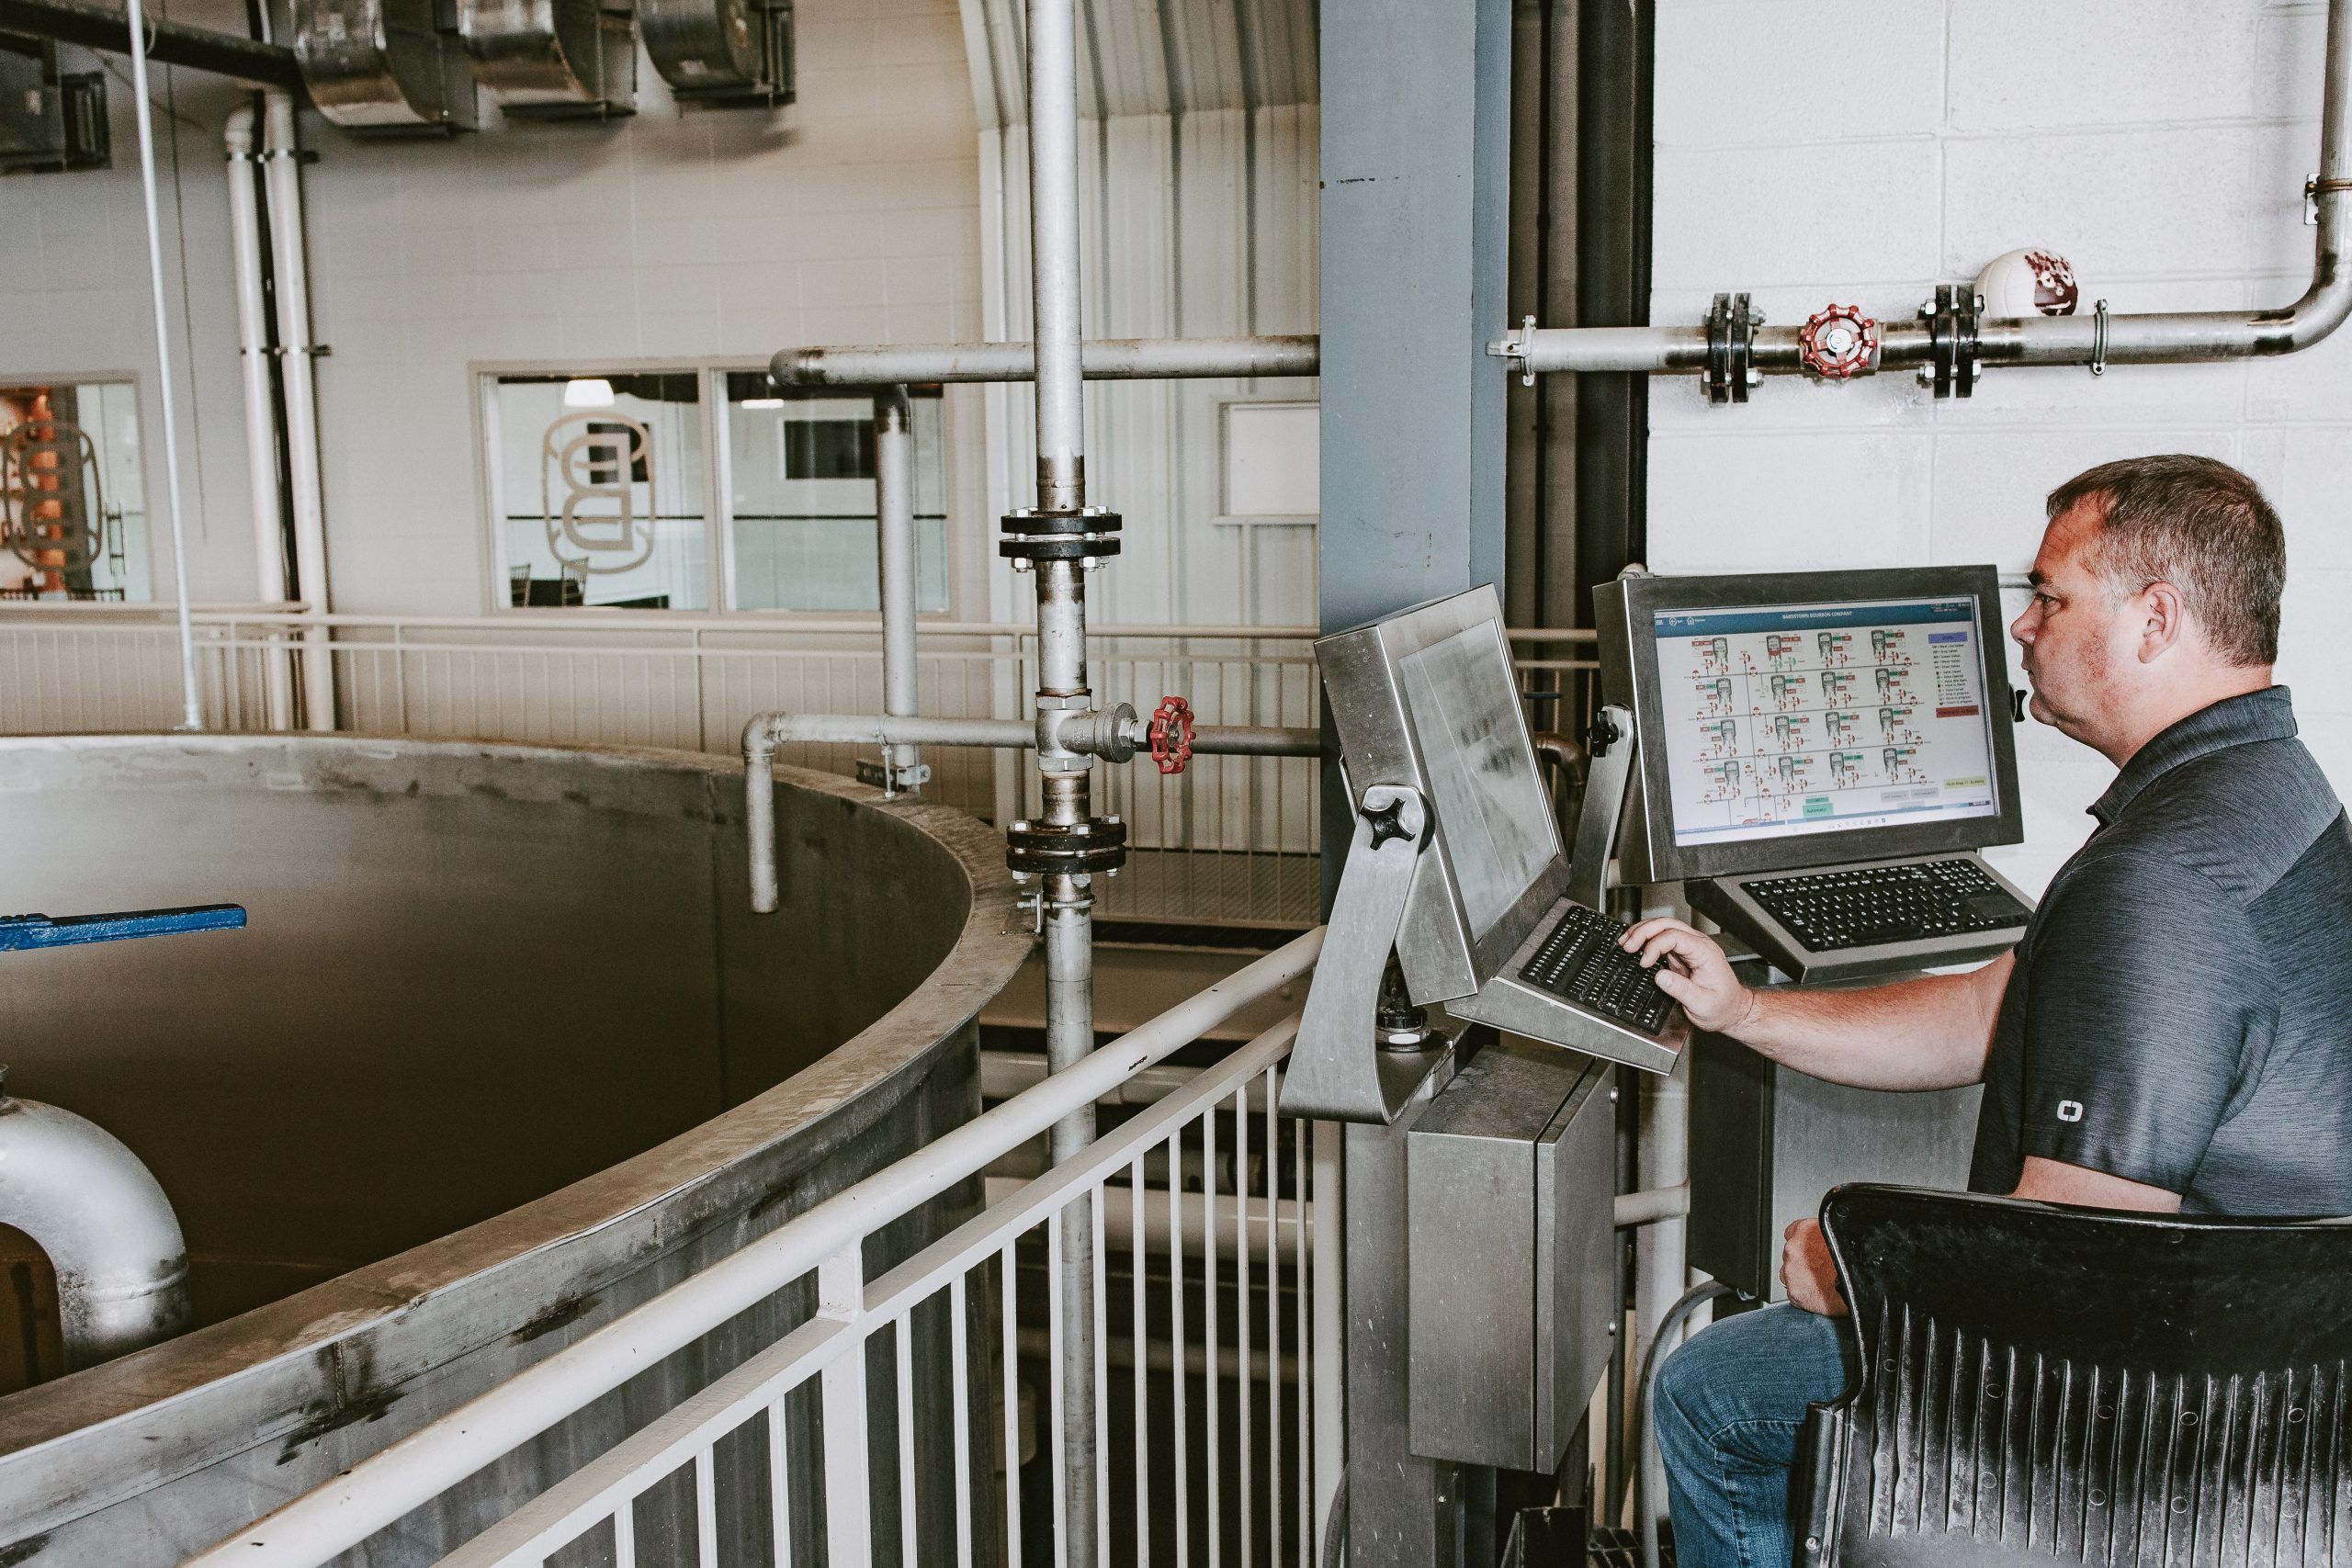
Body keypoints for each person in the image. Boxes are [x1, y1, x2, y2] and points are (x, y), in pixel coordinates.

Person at [1621, 454, 2352, 1568]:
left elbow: (2074, 1252)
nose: (2020, 628)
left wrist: (1862, 1277)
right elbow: (1992, 1012)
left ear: (2153, 621)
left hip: (2172, 1396)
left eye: (2050, 597)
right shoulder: (2267, 787)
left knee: (1712, 1389)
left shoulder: (2160, 880)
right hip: (2281, 1380)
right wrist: (1744, 1013)